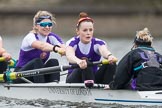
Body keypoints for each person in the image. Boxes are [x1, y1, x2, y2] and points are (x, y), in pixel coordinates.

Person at [14, 10, 66, 83]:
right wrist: (56, 48)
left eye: (50, 24)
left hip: (37, 75)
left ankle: (54, 85)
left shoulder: (52, 37)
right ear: (36, 26)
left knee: (54, 61)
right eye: (44, 24)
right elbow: (42, 46)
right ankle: (41, 89)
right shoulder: (30, 37)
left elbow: (64, 47)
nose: (47, 27)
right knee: (37, 61)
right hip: (20, 75)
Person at [65, 12, 117, 84]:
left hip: (93, 77)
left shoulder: (98, 43)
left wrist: (109, 56)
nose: (88, 33)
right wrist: (78, 61)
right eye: (85, 30)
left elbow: (104, 51)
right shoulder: (72, 42)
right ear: (78, 31)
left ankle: (109, 88)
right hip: (75, 78)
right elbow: (69, 56)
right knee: (86, 63)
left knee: (111, 64)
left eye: (90, 30)